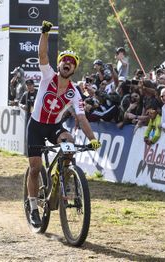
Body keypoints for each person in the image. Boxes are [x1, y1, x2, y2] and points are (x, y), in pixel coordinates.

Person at [26, 20, 101, 227]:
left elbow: (81, 117)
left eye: (72, 62)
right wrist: (45, 33)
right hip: (36, 125)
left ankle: (67, 179)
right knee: (34, 168)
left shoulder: (74, 92)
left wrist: (93, 140)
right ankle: (33, 207)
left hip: (53, 127)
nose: (67, 63)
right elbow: (42, 54)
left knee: (68, 143)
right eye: (64, 60)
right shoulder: (48, 75)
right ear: (59, 65)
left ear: (74, 68)